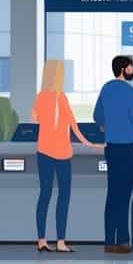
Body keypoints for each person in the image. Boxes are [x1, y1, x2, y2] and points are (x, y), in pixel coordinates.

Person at [92, 56, 133, 254]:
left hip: (111, 147)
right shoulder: (128, 90)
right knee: (124, 194)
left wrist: (108, 126)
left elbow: (97, 116)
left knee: (112, 194)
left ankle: (109, 241)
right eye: (131, 66)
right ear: (123, 68)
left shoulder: (106, 88)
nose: (132, 70)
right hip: (127, 147)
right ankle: (122, 240)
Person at [32, 60, 101, 254]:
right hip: (62, 153)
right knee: (64, 196)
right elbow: (74, 126)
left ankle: (41, 240)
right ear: (57, 76)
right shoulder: (61, 98)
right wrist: (91, 144)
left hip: (43, 152)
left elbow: (34, 119)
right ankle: (61, 241)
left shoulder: (40, 97)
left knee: (44, 194)